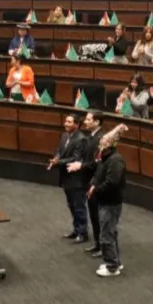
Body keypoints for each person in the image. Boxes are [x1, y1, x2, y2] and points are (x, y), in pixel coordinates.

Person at [89, 126, 127, 277]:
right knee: (110, 232)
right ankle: (116, 262)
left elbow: (112, 182)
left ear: (110, 144)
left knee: (106, 235)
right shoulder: (104, 157)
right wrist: (93, 184)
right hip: (104, 201)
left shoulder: (115, 160)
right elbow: (98, 175)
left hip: (111, 202)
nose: (100, 141)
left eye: (103, 140)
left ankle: (112, 267)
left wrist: (96, 190)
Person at [49, 113, 90, 244]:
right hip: (66, 177)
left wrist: (58, 162)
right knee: (71, 205)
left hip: (76, 179)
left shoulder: (81, 139)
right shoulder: (64, 135)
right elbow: (59, 150)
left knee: (79, 206)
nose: (66, 124)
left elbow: (76, 158)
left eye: (69, 122)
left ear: (77, 125)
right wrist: (56, 157)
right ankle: (76, 230)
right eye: (66, 121)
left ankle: (83, 233)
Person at [76, 111, 106, 256]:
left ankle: (103, 246)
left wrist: (81, 166)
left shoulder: (101, 139)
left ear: (97, 122)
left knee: (99, 216)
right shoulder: (92, 137)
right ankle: (97, 243)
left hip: (97, 182)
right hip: (89, 181)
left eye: (88, 119)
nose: (85, 122)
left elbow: (97, 163)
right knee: (93, 214)